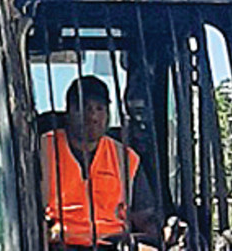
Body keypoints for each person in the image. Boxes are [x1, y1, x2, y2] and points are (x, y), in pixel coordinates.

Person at [43, 75, 159, 248]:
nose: (93, 117)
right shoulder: (42, 151)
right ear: (67, 113)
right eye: (84, 108)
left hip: (113, 244)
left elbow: (144, 217)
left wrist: (163, 234)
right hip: (58, 244)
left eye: (99, 109)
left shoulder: (126, 158)